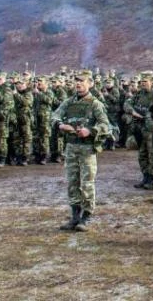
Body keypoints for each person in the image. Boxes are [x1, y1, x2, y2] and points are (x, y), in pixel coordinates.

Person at [52, 70, 111, 232]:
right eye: (76, 81)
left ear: (90, 83)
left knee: (87, 183)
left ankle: (86, 217)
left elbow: (106, 126)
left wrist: (90, 131)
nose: (78, 84)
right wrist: (60, 125)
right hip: (71, 147)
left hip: (87, 149)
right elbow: (55, 115)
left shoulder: (95, 104)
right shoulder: (68, 102)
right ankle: (75, 216)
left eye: (82, 81)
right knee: (72, 182)